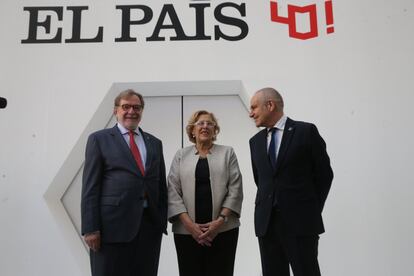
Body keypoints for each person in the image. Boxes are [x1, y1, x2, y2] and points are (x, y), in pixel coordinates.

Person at [81, 89, 167, 276]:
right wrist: (90, 228)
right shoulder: (99, 139)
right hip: (110, 229)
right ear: (115, 111)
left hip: (148, 227)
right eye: (125, 107)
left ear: (142, 111)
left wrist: (160, 221)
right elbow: (90, 187)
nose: (131, 111)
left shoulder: (154, 143)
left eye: (136, 107)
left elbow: (160, 185)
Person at [249, 88, 333, 276]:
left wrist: (309, 209)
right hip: (267, 225)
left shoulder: (306, 131)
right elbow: (262, 181)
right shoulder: (255, 142)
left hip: (301, 223)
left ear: (270, 105)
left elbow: (324, 175)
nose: (250, 113)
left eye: (254, 107)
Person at [168, 110, 243, 276]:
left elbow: (235, 189)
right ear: (192, 130)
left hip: (223, 230)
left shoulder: (227, 153)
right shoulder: (181, 155)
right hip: (187, 232)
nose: (205, 126)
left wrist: (219, 222)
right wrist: (190, 226)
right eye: (200, 123)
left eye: (210, 123)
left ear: (215, 129)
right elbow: (173, 191)